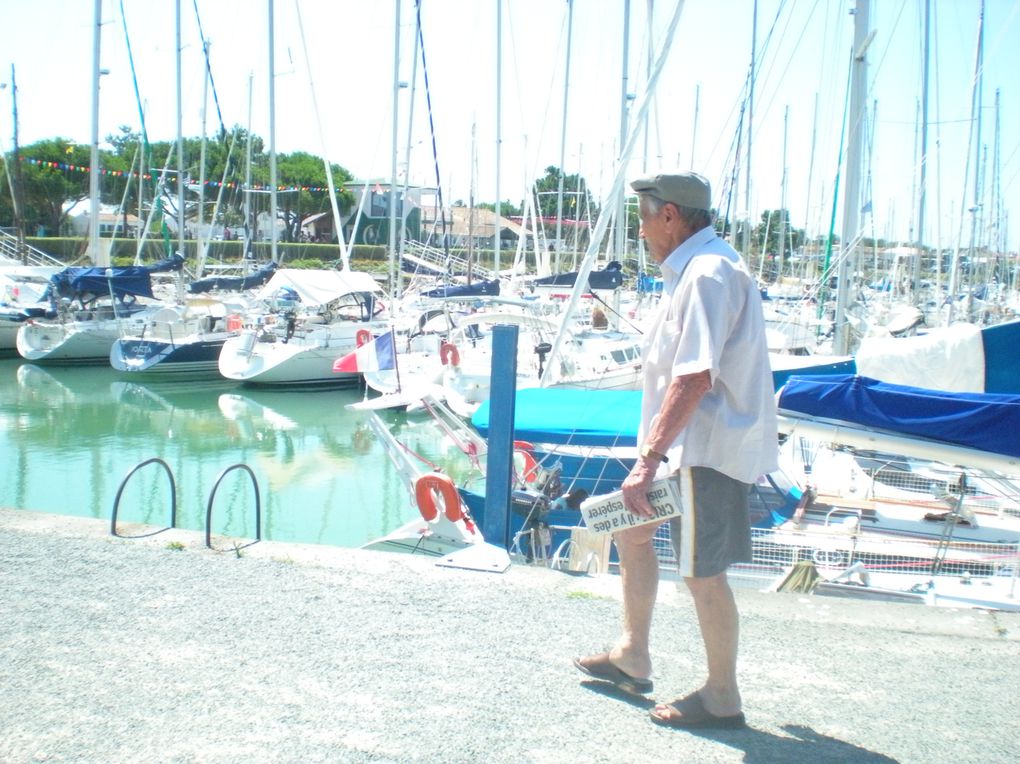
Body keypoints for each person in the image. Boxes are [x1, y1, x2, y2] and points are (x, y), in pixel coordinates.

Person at [573, 171, 778, 730]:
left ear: (670, 216)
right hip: (686, 449)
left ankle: (721, 696)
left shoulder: (707, 274)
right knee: (632, 531)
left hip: (705, 451)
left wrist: (647, 461)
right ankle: (632, 654)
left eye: (642, 216)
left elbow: (694, 377)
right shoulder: (696, 269)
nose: (639, 230)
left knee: (702, 572)